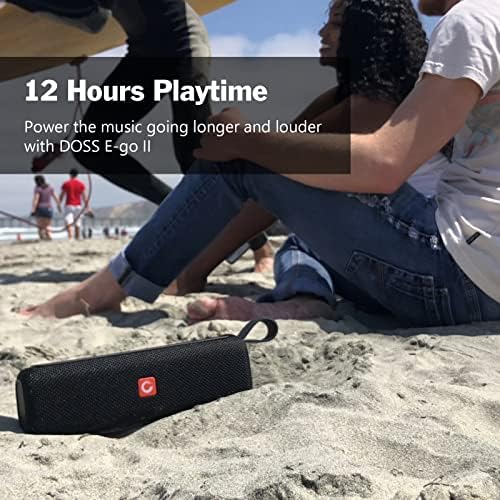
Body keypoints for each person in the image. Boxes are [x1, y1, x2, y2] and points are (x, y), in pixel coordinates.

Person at [21, 0, 500, 327]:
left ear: (366, 35)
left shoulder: (467, 24)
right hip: (475, 277)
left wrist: (245, 140)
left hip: (452, 273)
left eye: (336, 23)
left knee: (239, 157)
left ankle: (106, 288)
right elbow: (279, 169)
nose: (322, 31)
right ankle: (302, 300)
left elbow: (382, 164)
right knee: (295, 234)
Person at [9, 0, 274, 273]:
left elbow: (93, 19)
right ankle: (180, 212)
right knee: (90, 146)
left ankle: (259, 245)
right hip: (145, 53)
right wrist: (68, 44)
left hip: (184, 44)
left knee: (194, 154)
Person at [60, 169, 91, 240]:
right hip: (78, 205)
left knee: (68, 221)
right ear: (77, 175)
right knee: (78, 222)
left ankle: (70, 237)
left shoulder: (66, 183)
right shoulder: (81, 184)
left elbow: (62, 195)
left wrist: (59, 203)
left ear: (70, 174)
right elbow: (84, 197)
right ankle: (77, 237)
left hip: (69, 204)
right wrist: (88, 207)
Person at [31, 175, 61, 241]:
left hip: (40, 208)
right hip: (49, 209)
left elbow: (36, 200)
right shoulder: (50, 188)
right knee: (48, 225)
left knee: (40, 226)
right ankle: (49, 237)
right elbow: (56, 198)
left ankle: (42, 239)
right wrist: (59, 206)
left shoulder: (38, 188)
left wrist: (33, 210)